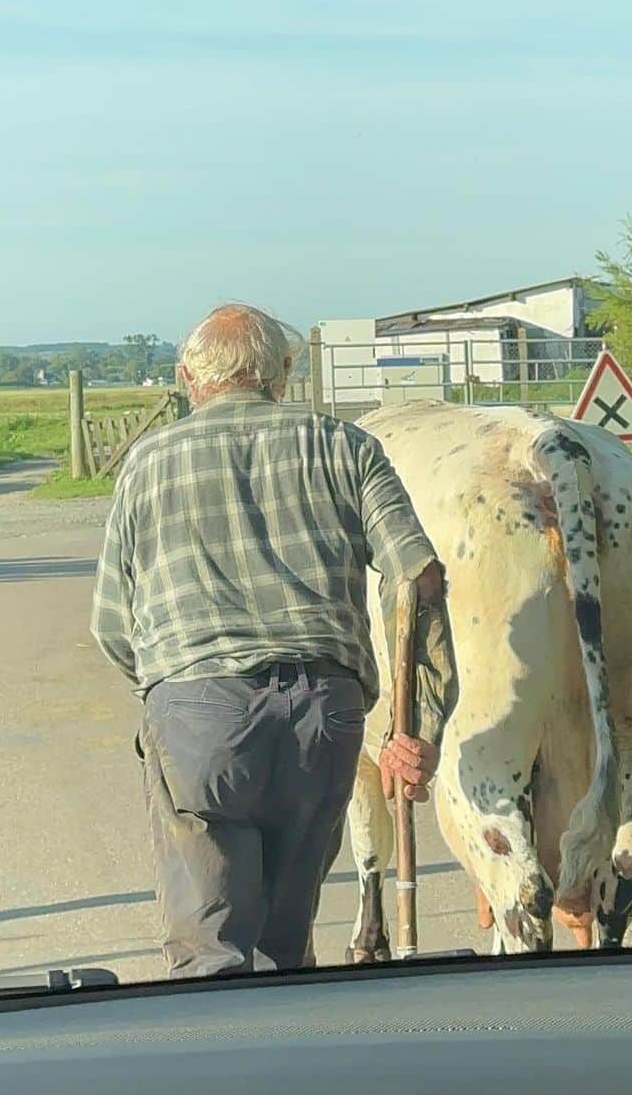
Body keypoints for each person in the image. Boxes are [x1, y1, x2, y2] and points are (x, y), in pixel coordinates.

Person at [90, 304, 455, 978]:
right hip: (325, 714)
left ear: (187, 378)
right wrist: (417, 725)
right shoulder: (345, 447)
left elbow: (111, 624)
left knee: (210, 950)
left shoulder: (147, 464)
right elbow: (417, 578)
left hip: (199, 711)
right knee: (286, 947)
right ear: (283, 372)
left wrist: (170, 699)